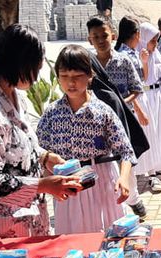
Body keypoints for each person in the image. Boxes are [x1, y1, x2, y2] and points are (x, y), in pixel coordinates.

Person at [0, 24, 82, 258]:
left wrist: (45, 157)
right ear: (19, 64)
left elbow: (20, 143)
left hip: (23, 217)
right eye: (34, 68)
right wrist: (44, 185)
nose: (36, 78)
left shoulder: (14, 95)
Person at [37, 45, 138, 234]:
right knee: (72, 236)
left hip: (101, 184)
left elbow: (126, 151)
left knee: (104, 235)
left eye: (76, 76)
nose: (71, 83)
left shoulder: (103, 111)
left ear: (90, 76)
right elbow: (37, 150)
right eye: (64, 76)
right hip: (68, 187)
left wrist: (123, 179)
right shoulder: (51, 113)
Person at [86, 15, 154, 205]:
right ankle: (109, 202)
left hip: (122, 119)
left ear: (113, 36)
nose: (100, 40)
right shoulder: (86, 64)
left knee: (125, 160)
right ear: (89, 39)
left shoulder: (124, 61)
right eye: (95, 36)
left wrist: (121, 103)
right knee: (103, 163)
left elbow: (137, 89)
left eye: (104, 35)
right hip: (96, 124)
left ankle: (133, 200)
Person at [115, 16, 161, 195]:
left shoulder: (132, 52)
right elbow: (126, 88)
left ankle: (149, 174)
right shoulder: (124, 55)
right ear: (135, 34)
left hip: (140, 100)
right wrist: (140, 110)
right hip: (135, 104)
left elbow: (141, 78)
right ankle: (143, 178)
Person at [136, 22, 161, 186]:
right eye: (152, 41)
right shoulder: (137, 56)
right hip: (145, 98)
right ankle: (150, 171)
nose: (155, 44)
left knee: (160, 133)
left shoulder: (157, 55)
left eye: (156, 40)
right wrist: (144, 62)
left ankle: (158, 165)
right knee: (149, 134)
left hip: (157, 97)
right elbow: (141, 80)